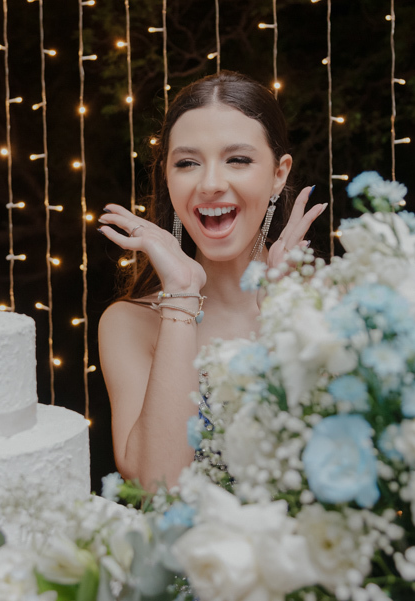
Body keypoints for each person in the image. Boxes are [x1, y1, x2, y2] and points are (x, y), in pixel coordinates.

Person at [98, 71, 326, 490]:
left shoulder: (333, 297)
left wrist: (288, 313)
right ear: (167, 176)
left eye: (237, 159)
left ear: (279, 174)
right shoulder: (128, 323)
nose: (211, 185)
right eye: (187, 163)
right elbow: (159, 485)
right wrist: (181, 295)